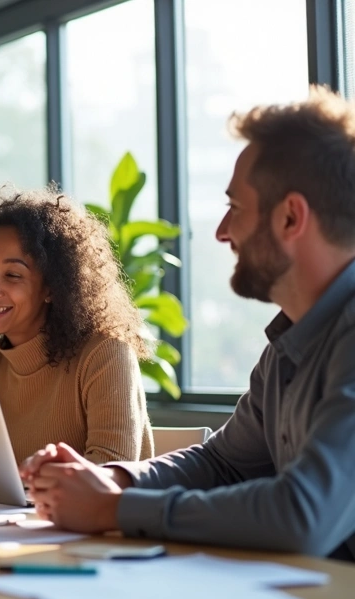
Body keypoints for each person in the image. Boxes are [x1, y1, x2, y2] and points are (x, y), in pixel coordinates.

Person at [23, 87, 355, 561]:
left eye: (235, 208)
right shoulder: (290, 345)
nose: (222, 232)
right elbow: (221, 462)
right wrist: (112, 479)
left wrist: (114, 509)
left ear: (290, 217)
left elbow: (303, 515)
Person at [0, 188, 154, 464]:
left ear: (52, 288)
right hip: (6, 509)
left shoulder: (105, 354)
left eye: (13, 275)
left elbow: (111, 470)